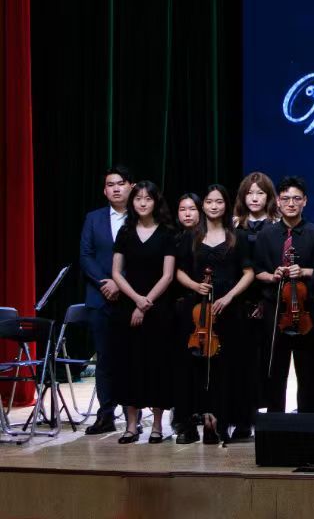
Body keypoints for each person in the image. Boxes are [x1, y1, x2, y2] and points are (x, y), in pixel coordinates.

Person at [173, 185, 255, 446]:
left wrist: (229, 297)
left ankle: (223, 421)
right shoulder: (191, 236)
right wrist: (195, 285)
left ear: (226, 205)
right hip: (197, 309)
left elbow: (249, 273)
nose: (214, 206)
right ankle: (190, 424)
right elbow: (179, 271)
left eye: (219, 202)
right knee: (193, 366)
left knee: (227, 367)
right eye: (209, 202)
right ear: (203, 205)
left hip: (228, 308)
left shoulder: (238, 236)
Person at [253, 175, 314, 414]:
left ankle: (308, 420)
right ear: (277, 201)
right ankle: (275, 421)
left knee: (309, 371)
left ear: (305, 201)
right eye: (286, 199)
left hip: (307, 311)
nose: (291, 203)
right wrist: (271, 275)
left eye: (297, 199)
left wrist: (304, 271)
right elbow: (256, 271)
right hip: (276, 309)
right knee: (275, 369)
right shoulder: (266, 234)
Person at [108, 180, 176, 443]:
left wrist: (147, 302)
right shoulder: (125, 232)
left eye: (148, 198)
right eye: (138, 198)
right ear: (132, 202)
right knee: (130, 365)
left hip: (158, 307)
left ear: (156, 202)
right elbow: (116, 272)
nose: (143, 203)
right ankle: (131, 426)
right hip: (129, 305)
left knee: (158, 365)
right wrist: (137, 300)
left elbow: (167, 275)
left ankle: (157, 426)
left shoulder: (167, 233)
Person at [79, 164, 133, 435]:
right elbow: (85, 255)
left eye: (121, 183)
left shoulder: (141, 217)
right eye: (110, 185)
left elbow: (145, 257)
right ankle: (106, 414)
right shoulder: (93, 218)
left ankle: (132, 414)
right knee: (105, 359)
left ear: (131, 186)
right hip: (100, 298)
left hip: (131, 298)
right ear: (104, 190)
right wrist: (106, 282)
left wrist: (119, 282)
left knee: (130, 357)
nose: (116, 189)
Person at [230, 170, 275, 440]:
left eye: (260, 193)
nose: (255, 198)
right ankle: (243, 419)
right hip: (239, 302)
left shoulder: (277, 225)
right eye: (250, 193)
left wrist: (263, 300)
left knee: (267, 364)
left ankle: (270, 418)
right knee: (242, 364)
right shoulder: (234, 226)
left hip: (269, 301)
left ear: (269, 197)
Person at [168, 192, 202, 441]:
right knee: (181, 364)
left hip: (203, 305)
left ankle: (202, 411)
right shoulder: (173, 238)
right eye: (182, 209)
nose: (187, 214)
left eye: (192, 209)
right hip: (178, 308)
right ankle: (182, 416)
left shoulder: (207, 237)